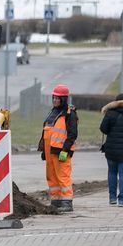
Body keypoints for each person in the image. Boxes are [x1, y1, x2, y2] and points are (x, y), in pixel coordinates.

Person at [38, 83, 77, 212]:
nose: (55, 100)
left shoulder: (69, 113)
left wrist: (65, 150)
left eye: (57, 98)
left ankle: (66, 202)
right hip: (50, 151)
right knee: (51, 176)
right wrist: (44, 150)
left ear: (63, 99)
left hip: (61, 151)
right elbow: (47, 131)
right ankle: (56, 201)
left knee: (63, 176)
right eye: (54, 98)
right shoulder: (53, 112)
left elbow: (72, 134)